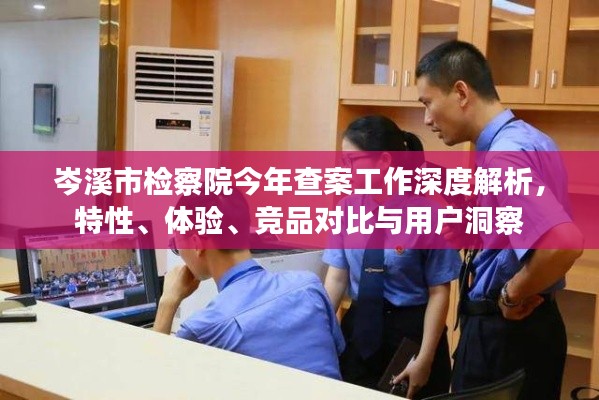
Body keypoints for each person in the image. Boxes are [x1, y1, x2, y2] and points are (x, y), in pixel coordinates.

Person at [415, 40, 584, 400]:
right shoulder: (531, 139)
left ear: (461, 92)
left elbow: (563, 242)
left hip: (505, 332)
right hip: (535, 331)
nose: (427, 119)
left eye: (427, 103)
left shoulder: (505, 155)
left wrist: (511, 295)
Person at [323, 115, 461, 399]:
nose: (345, 170)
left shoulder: (428, 214)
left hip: (411, 336)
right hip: (360, 331)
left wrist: (425, 358)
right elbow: (336, 279)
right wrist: (318, 333)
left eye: (352, 161)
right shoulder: (347, 208)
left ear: (384, 161)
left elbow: (439, 293)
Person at [154, 189, 345, 380]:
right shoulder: (310, 287)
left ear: (197, 244)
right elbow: (335, 352)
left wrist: (167, 303)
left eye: (176, 244)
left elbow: (154, 382)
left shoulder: (202, 330)